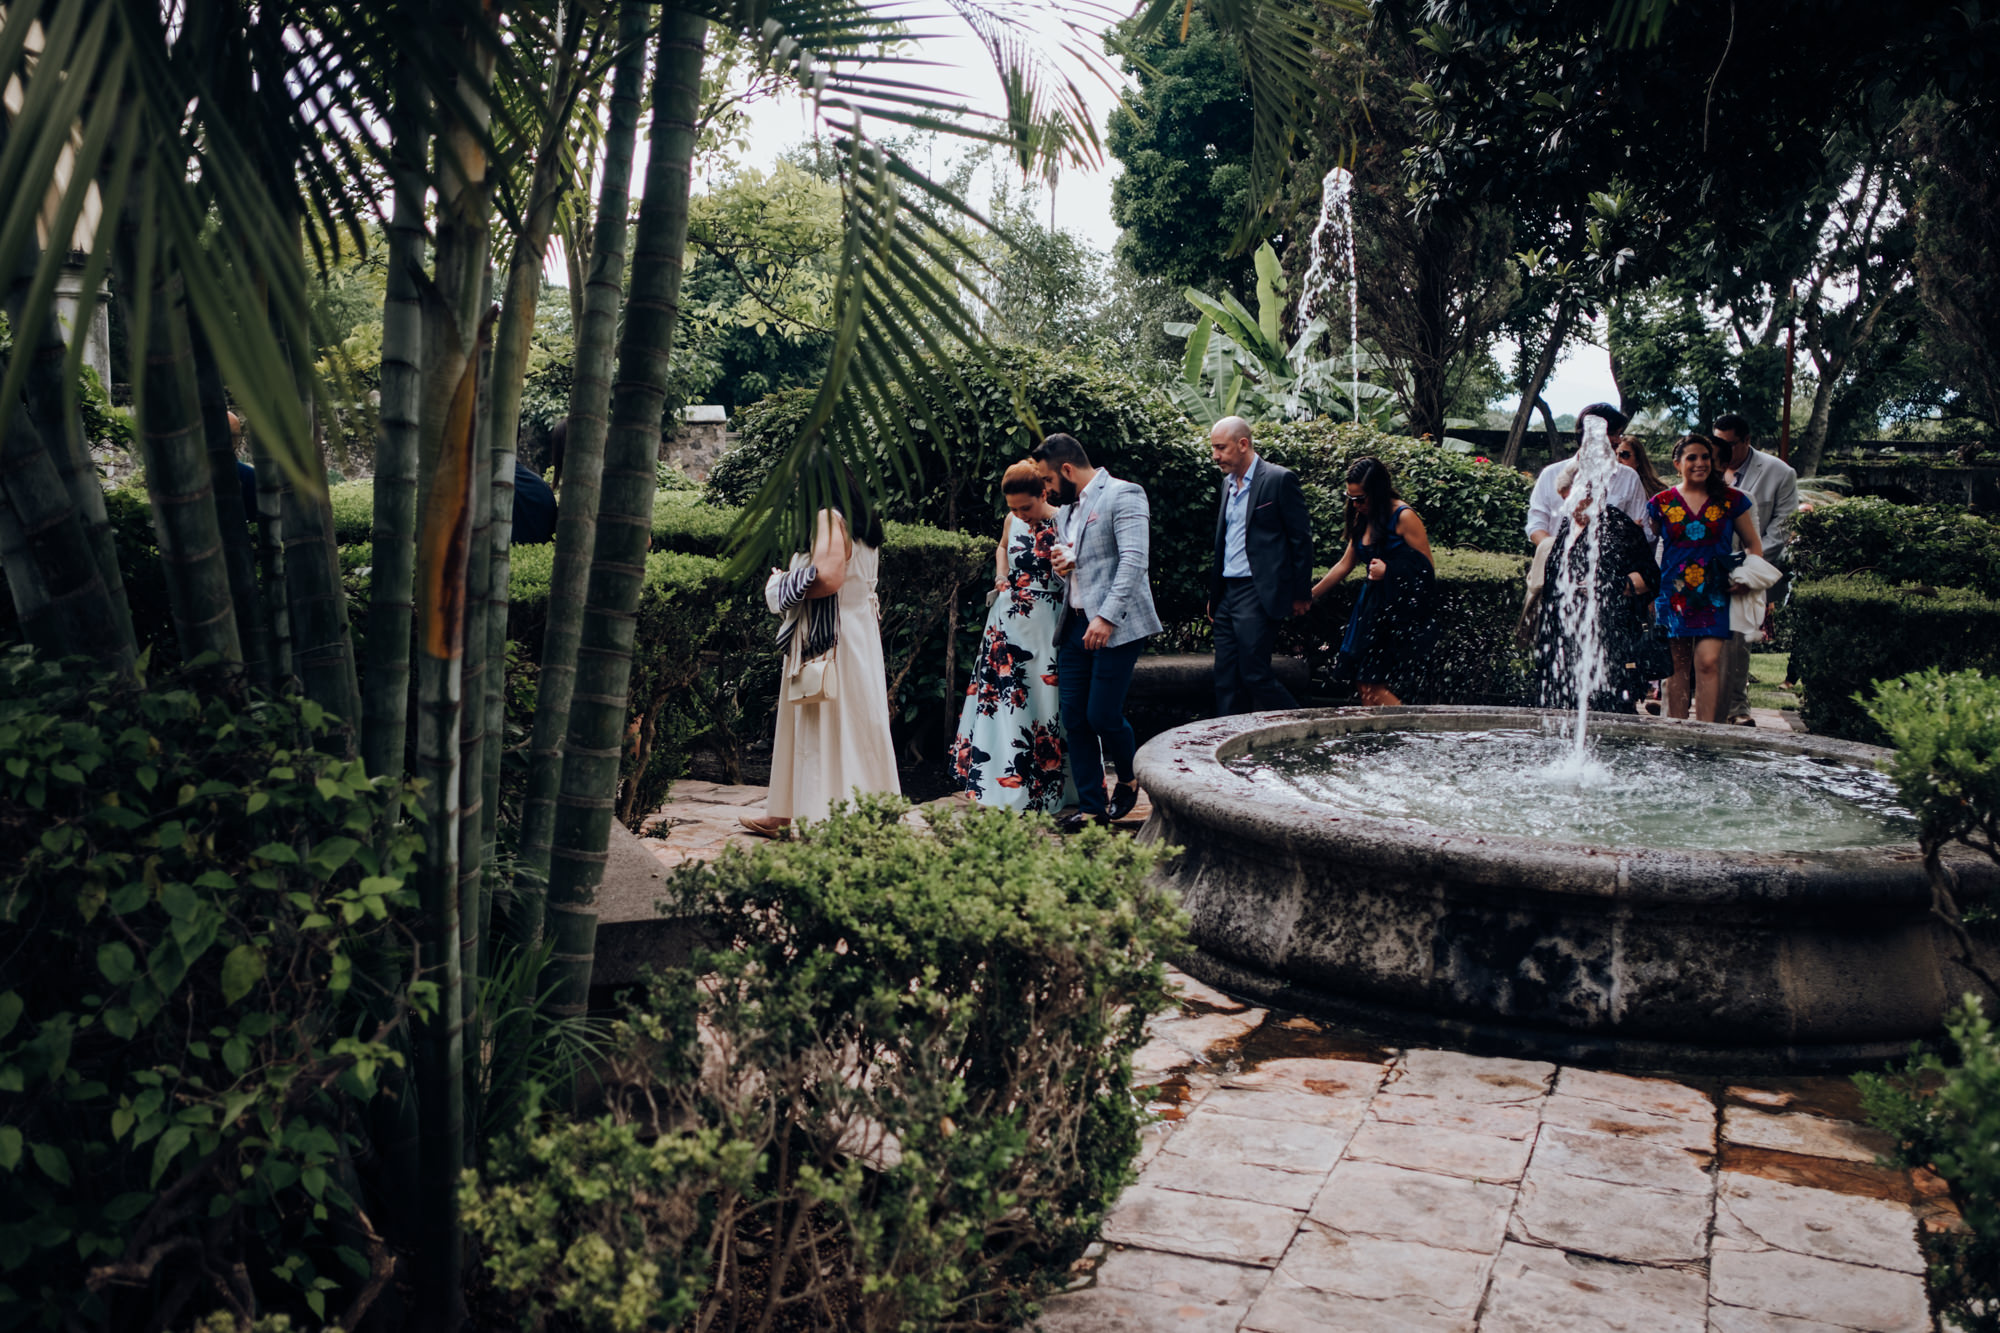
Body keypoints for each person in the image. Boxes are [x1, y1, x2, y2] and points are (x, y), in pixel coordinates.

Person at [740, 484, 899, 835]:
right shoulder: (861, 521)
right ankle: (795, 811)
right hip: (857, 630)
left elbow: (828, 579)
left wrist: (780, 585)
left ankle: (825, 816)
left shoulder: (828, 517)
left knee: (825, 720)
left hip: (831, 635)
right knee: (853, 720)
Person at [1032, 433, 1162, 832]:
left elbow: (1134, 561)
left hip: (1115, 626)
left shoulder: (1125, 495)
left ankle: (1128, 776)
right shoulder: (1066, 511)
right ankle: (1092, 808)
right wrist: (1063, 566)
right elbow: (1082, 565)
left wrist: (1106, 618)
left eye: (1049, 481)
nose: (1047, 490)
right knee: (1074, 717)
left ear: (1067, 470)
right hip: (1073, 625)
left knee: (1102, 714)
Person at [949, 461, 1074, 812]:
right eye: (1014, 508)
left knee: (1045, 701)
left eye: (1026, 507)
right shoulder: (1012, 520)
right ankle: (1001, 785)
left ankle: (1047, 791)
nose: (1020, 513)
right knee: (1005, 702)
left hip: (1047, 621)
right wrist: (1001, 576)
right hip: (1006, 621)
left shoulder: (1066, 520)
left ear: (1044, 494)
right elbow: (1002, 547)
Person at [1647, 433, 1764, 723]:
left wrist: (1746, 576)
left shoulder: (1731, 500)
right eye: (1692, 458)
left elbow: (1753, 545)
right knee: (1677, 667)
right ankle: (1677, 733)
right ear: (1677, 464)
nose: (1700, 463)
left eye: (1705, 457)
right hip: (1673, 592)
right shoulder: (1660, 503)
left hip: (1716, 591)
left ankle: (1706, 734)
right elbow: (1650, 544)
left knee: (1708, 662)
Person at [1532, 462, 1661, 713]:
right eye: (1573, 498)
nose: (1581, 503)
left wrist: (1612, 586)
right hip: (1568, 636)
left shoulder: (1619, 526)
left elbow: (1651, 577)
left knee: (1613, 709)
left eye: (1588, 493)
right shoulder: (1566, 532)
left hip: (1613, 634)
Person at [1207, 416, 1314, 715]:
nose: (1215, 455)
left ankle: (1301, 725)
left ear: (1243, 444)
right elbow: (1224, 541)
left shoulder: (1279, 479)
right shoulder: (1226, 484)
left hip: (1258, 589)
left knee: (1254, 673)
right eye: (1213, 448)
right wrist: (1216, 596)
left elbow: (1300, 540)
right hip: (1228, 592)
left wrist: (1300, 592)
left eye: (1221, 448)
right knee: (1226, 676)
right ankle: (1229, 745)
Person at [1311, 457, 1435, 706]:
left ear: (1377, 492)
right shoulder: (1362, 517)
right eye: (1351, 498)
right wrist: (1309, 595)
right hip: (1369, 610)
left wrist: (1389, 570)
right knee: (1364, 685)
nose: (1356, 504)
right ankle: (1380, 741)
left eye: (1361, 498)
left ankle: (1412, 736)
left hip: (1395, 612)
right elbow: (1345, 564)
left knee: (1372, 685)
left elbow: (1427, 570)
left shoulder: (1403, 516)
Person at [1712, 412, 1800, 725]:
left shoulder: (1779, 472)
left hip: (1750, 565)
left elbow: (1783, 525)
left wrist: (1751, 561)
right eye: (1715, 443)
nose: (1720, 451)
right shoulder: (1705, 467)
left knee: (1739, 637)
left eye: (1728, 444)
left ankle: (1738, 707)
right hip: (1707, 566)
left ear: (1746, 441)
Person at [1526, 404, 1657, 546]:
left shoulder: (1629, 477)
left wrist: (1630, 532)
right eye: (1612, 434)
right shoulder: (1550, 475)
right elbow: (1536, 524)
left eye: (1620, 434)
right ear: (1590, 435)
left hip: (1614, 565)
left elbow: (1646, 532)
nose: (1618, 441)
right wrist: (1553, 552)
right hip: (1559, 564)